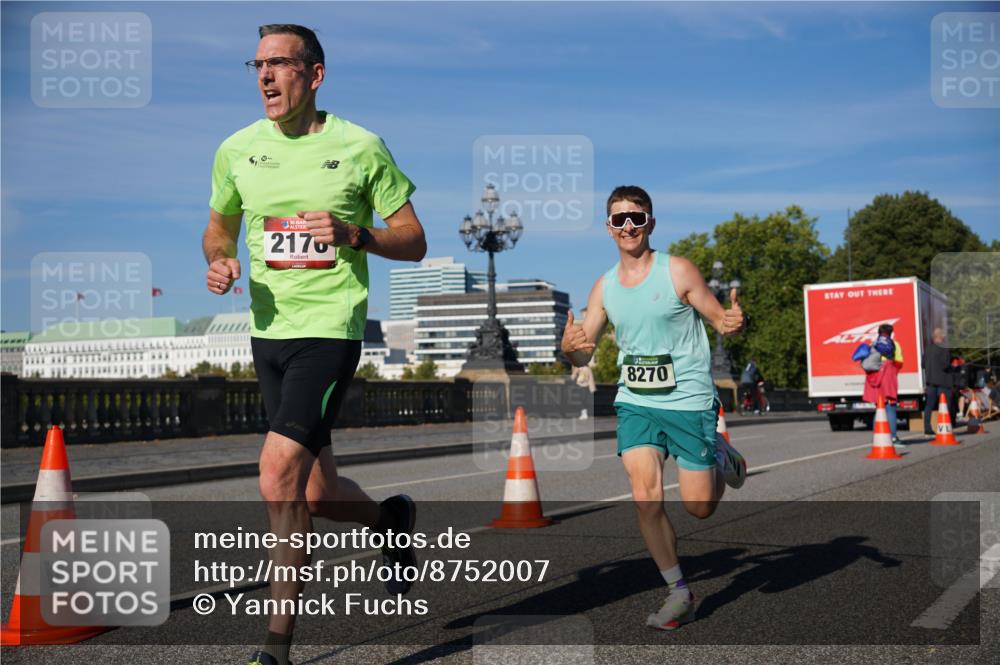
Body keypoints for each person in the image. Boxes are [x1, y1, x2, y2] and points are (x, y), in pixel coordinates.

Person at [203, 24, 427, 665]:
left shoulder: (360, 146)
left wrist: (356, 234)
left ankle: (276, 648)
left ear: (315, 74)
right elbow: (217, 229)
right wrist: (219, 260)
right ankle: (390, 521)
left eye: (279, 63)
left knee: (277, 475)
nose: (265, 76)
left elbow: (414, 241)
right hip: (268, 334)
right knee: (318, 496)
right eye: (257, 65)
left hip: (329, 331)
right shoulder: (236, 149)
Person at [560, 185, 747, 630]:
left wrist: (732, 321)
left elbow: (719, 319)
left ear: (650, 223)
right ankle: (679, 593)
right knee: (646, 497)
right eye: (619, 219)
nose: (628, 226)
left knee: (699, 507)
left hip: (688, 401)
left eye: (636, 218)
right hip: (636, 401)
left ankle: (720, 454)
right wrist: (568, 348)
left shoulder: (678, 271)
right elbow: (584, 352)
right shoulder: (605, 286)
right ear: (608, 228)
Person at [862, 323, 903, 444]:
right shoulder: (895, 344)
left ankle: (878, 437)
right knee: (890, 407)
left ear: (878, 333)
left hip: (874, 379)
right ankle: (893, 437)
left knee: (879, 408)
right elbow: (899, 362)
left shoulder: (872, 344)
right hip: (888, 378)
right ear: (891, 333)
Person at [922, 327, 953, 435]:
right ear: (941, 337)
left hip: (930, 380)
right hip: (942, 381)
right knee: (946, 404)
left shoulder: (927, 349)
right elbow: (945, 365)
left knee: (929, 405)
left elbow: (923, 364)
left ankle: (927, 428)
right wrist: (952, 367)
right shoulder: (944, 348)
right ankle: (945, 426)